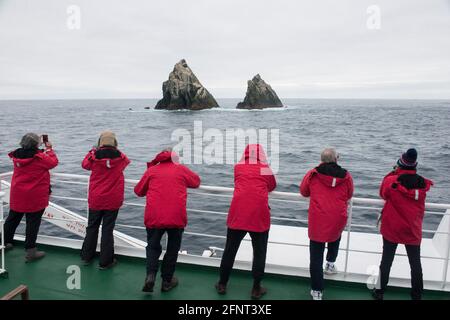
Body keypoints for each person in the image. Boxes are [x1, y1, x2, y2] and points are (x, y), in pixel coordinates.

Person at [134, 148, 200, 293]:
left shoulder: (152, 171)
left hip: (155, 216)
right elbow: (196, 182)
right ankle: (166, 282)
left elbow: (138, 191)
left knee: (152, 247)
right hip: (176, 217)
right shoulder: (181, 169)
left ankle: (150, 276)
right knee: (172, 249)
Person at [216, 144, 276, 299]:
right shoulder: (265, 168)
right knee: (259, 253)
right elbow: (272, 186)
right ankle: (256, 288)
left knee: (230, 250)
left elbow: (239, 182)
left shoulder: (238, 167)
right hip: (258, 215)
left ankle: (222, 283)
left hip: (238, 213)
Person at [373, 148, 433, 300]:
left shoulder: (391, 181)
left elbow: (383, 194)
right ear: (414, 165)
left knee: (386, 261)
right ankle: (417, 294)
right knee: (415, 264)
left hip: (392, 226)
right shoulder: (422, 183)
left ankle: (379, 292)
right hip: (412, 228)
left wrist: (394, 172)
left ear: (401, 164)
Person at [300, 148, 353, 300]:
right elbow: (349, 194)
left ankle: (317, 291)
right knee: (335, 237)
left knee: (316, 255)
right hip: (338, 216)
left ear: (321, 160)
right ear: (336, 159)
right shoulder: (346, 175)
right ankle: (330, 264)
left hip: (319, 218)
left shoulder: (313, 174)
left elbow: (304, 192)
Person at [4, 133, 58, 262]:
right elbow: (53, 163)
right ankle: (31, 251)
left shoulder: (16, 155)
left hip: (18, 194)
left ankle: (4, 243)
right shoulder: (39, 157)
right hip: (35, 195)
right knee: (32, 223)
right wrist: (49, 149)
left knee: (12, 219)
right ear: (36, 144)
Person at [80, 131, 130, 269]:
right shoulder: (120, 157)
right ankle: (105, 261)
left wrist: (93, 150)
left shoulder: (93, 157)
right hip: (113, 200)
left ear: (100, 143)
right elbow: (127, 162)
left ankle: (87, 256)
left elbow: (84, 165)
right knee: (108, 230)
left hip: (96, 198)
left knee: (92, 227)